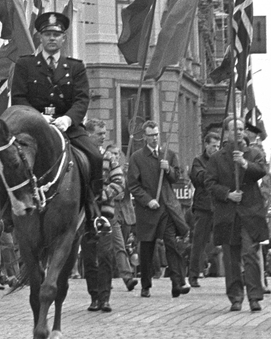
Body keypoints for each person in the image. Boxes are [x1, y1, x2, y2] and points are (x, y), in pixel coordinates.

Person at [10, 11, 105, 231]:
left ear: (63, 39)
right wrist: (36, 117)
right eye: (47, 34)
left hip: (67, 129)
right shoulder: (25, 65)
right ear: (40, 38)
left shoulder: (75, 67)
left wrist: (68, 119)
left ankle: (95, 212)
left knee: (95, 157)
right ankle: (3, 214)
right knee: (6, 159)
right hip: (32, 129)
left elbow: (82, 99)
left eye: (56, 34)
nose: (52, 38)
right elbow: (18, 97)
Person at [206, 116, 269, 312]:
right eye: (235, 129)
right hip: (228, 213)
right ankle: (235, 296)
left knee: (250, 253)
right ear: (227, 132)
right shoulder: (217, 158)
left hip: (250, 212)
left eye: (241, 129)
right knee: (231, 257)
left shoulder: (253, 153)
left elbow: (261, 171)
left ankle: (254, 296)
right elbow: (210, 183)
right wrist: (227, 195)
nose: (239, 132)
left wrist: (243, 163)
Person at [128, 120, 189, 298]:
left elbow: (176, 176)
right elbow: (133, 184)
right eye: (151, 135)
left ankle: (177, 282)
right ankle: (146, 284)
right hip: (148, 211)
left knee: (171, 244)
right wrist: (147, 201)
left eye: (156, 135)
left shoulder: (168, 154)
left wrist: (168, 169)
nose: (154, 139)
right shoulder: (137, 157)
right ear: (144, 137)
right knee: (147, 248)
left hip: (166, 208)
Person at [81, 119, 125, 312]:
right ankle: (94, 296)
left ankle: (105, 297)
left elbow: (119, 180)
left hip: (105, 213)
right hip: (85, 215)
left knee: (105, 255)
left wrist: (103, 194)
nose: (103, 136)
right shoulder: (80, 156)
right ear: (89, 134)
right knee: (89, 258)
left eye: (104, 133)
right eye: (99, 133)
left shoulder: (109, 157)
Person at [188, 131, 221, 287]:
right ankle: (193, 274)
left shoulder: (221, 161)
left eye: (217, 146)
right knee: (199, 242)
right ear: (206, 145)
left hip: (220, 205)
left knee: (228, 239)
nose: (215, 149)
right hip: (203, 207)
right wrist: (214, 170)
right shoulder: (198, 161)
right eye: (213, 146)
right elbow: (200, 178)